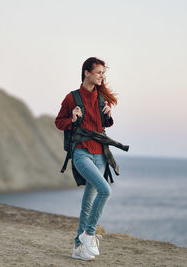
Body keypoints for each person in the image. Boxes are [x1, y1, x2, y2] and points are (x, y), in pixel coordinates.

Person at [54, 57, 118, 261]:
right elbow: (58, 122)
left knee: (88, 202)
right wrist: (71, 118)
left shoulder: (101, 99)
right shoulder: (71, 98)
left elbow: (103, 126)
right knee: (105, 190)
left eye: (102, 73)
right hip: (81, 152)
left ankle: (78, 247)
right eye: (98, 72)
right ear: (86, 73)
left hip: (100, 154)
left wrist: (108, 114)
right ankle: (89, 234)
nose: (101, 76)